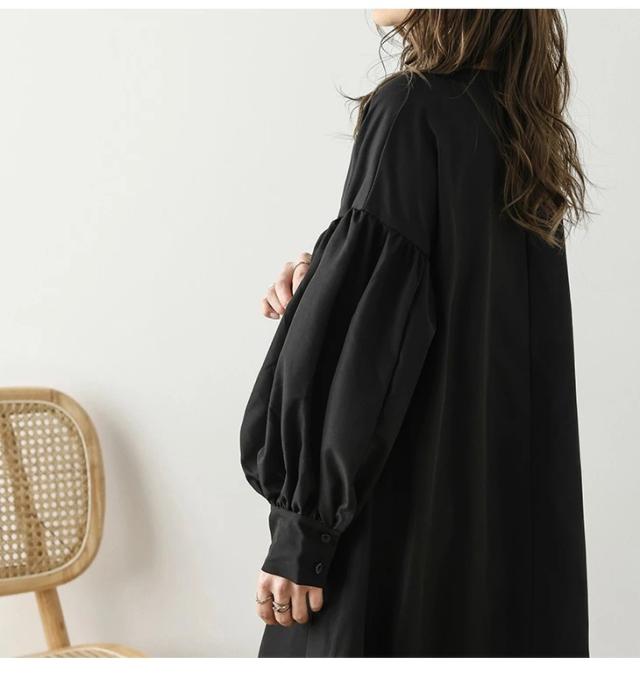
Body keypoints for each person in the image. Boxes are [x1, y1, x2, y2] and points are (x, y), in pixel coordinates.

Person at [240, 8, 589, 657]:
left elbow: (371, 340)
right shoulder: (522, 130)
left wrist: (301, 530)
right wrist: (329, 279)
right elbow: (450, 315)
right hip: (498, 547)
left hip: (396, 540)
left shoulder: (410, 108)